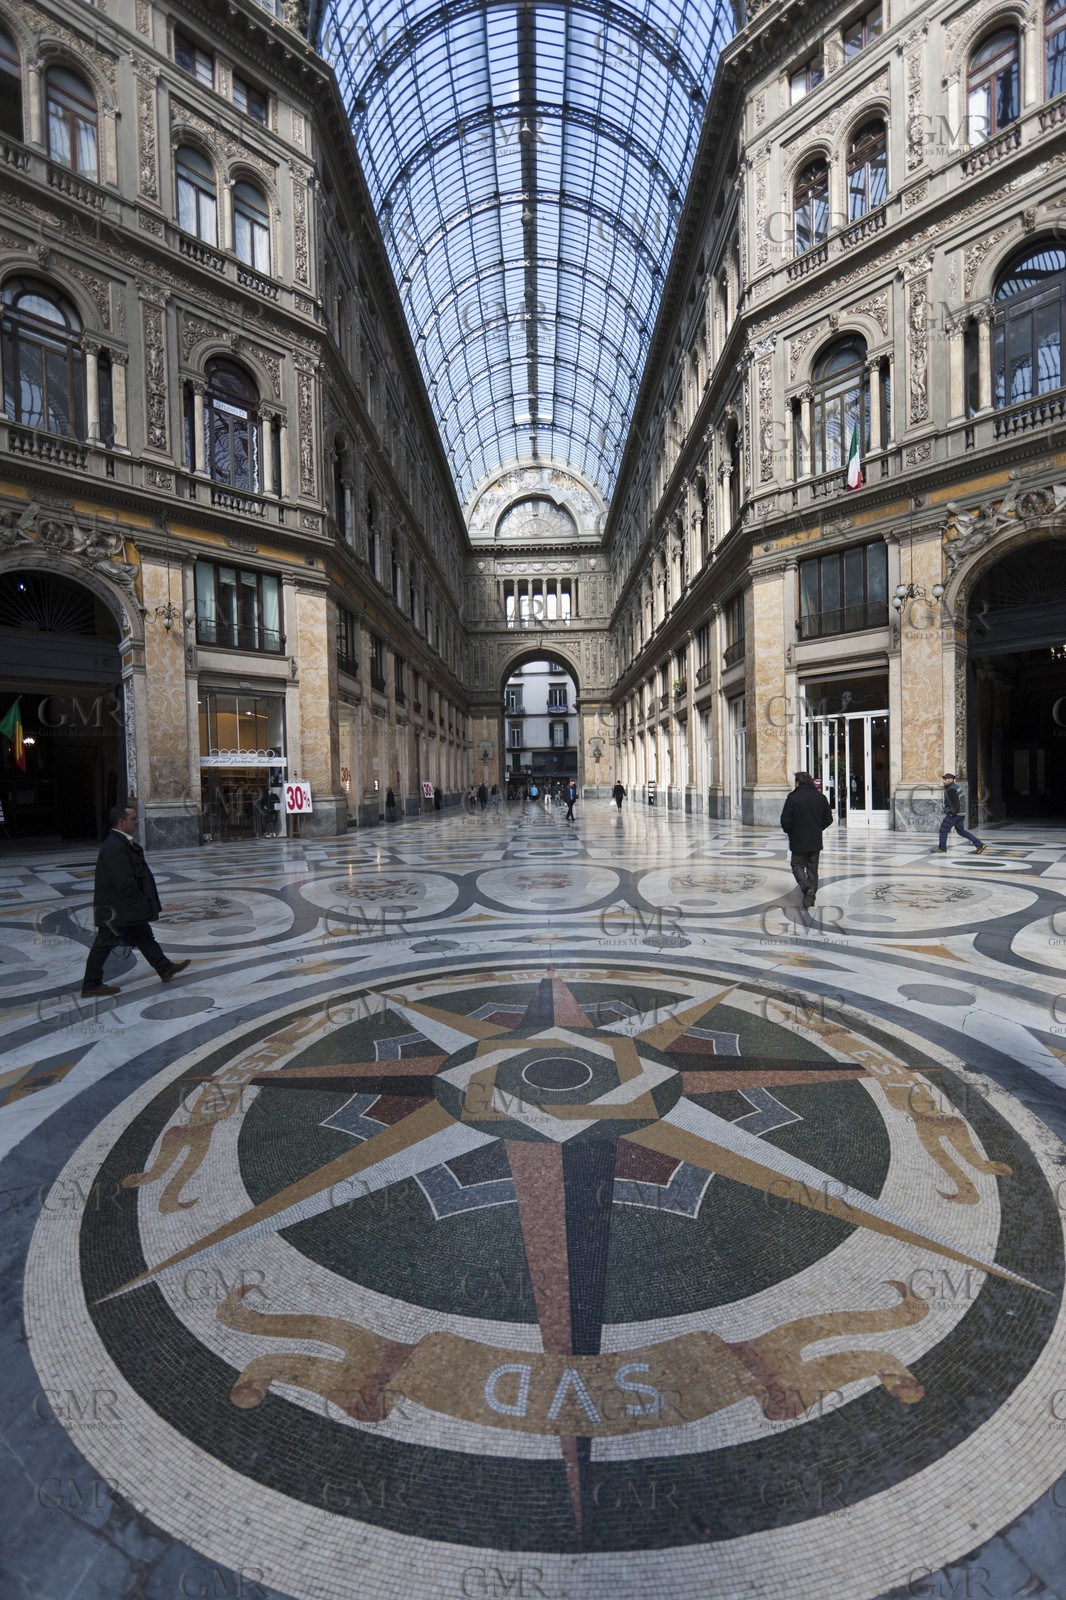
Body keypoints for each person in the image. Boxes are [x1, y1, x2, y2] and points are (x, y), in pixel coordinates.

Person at [81, 803, 190, 998]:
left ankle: (164, 968)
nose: (138, 822)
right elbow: (123, 881)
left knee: (144, 936)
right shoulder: (115, 847)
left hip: (124, 907)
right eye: (133, 819)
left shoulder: (122, 843)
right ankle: (91, 984)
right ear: (121, 823)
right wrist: (139, 902)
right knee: (105, 943)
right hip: (118, 908)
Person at [779, 771, 833, 909]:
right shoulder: (820, 797)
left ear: (798, 782)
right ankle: (811, 896)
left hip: (798, 840)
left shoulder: (793, 798)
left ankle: (806, 888)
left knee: (797, 865)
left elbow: (785, 820)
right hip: (815, 840)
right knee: (812, 868)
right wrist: (817, 828)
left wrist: (791, 831)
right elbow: (829, 819)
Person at [932, 773, 985, 855]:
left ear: (950, 780)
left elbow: (956, 804)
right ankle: (979, 844)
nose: (943, 781)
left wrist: (951, 813)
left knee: (943, 830)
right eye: (943, 779)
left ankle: (942, 848)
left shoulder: (952, 789)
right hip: (960, 814)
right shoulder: (955, 787)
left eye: (945, 779)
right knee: (961, 831)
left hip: (955, 814)